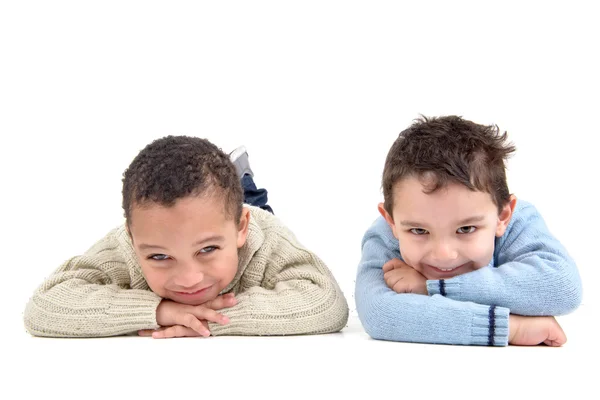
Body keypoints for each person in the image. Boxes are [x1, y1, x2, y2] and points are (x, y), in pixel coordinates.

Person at [24, 136, 349, 338]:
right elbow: (44, 305)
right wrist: (160, 311)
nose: (189, 279)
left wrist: (210, 319)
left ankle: (242, 178)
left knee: (251, 198)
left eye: (207, 249)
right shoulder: (127, 246)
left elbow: (327, 302)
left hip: (252, 211)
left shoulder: (263, 235)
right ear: (133, 239)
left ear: (240, 228)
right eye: (159, 257)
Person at [355, 115, 582, 346]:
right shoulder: (385, 235)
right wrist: (510, 328)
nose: (443, 254)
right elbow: (380, 313)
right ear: (391, 221)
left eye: (465, 229)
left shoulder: (518, 220)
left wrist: (431, 288)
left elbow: (563, 287)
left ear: (503, 216)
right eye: (419, 231)